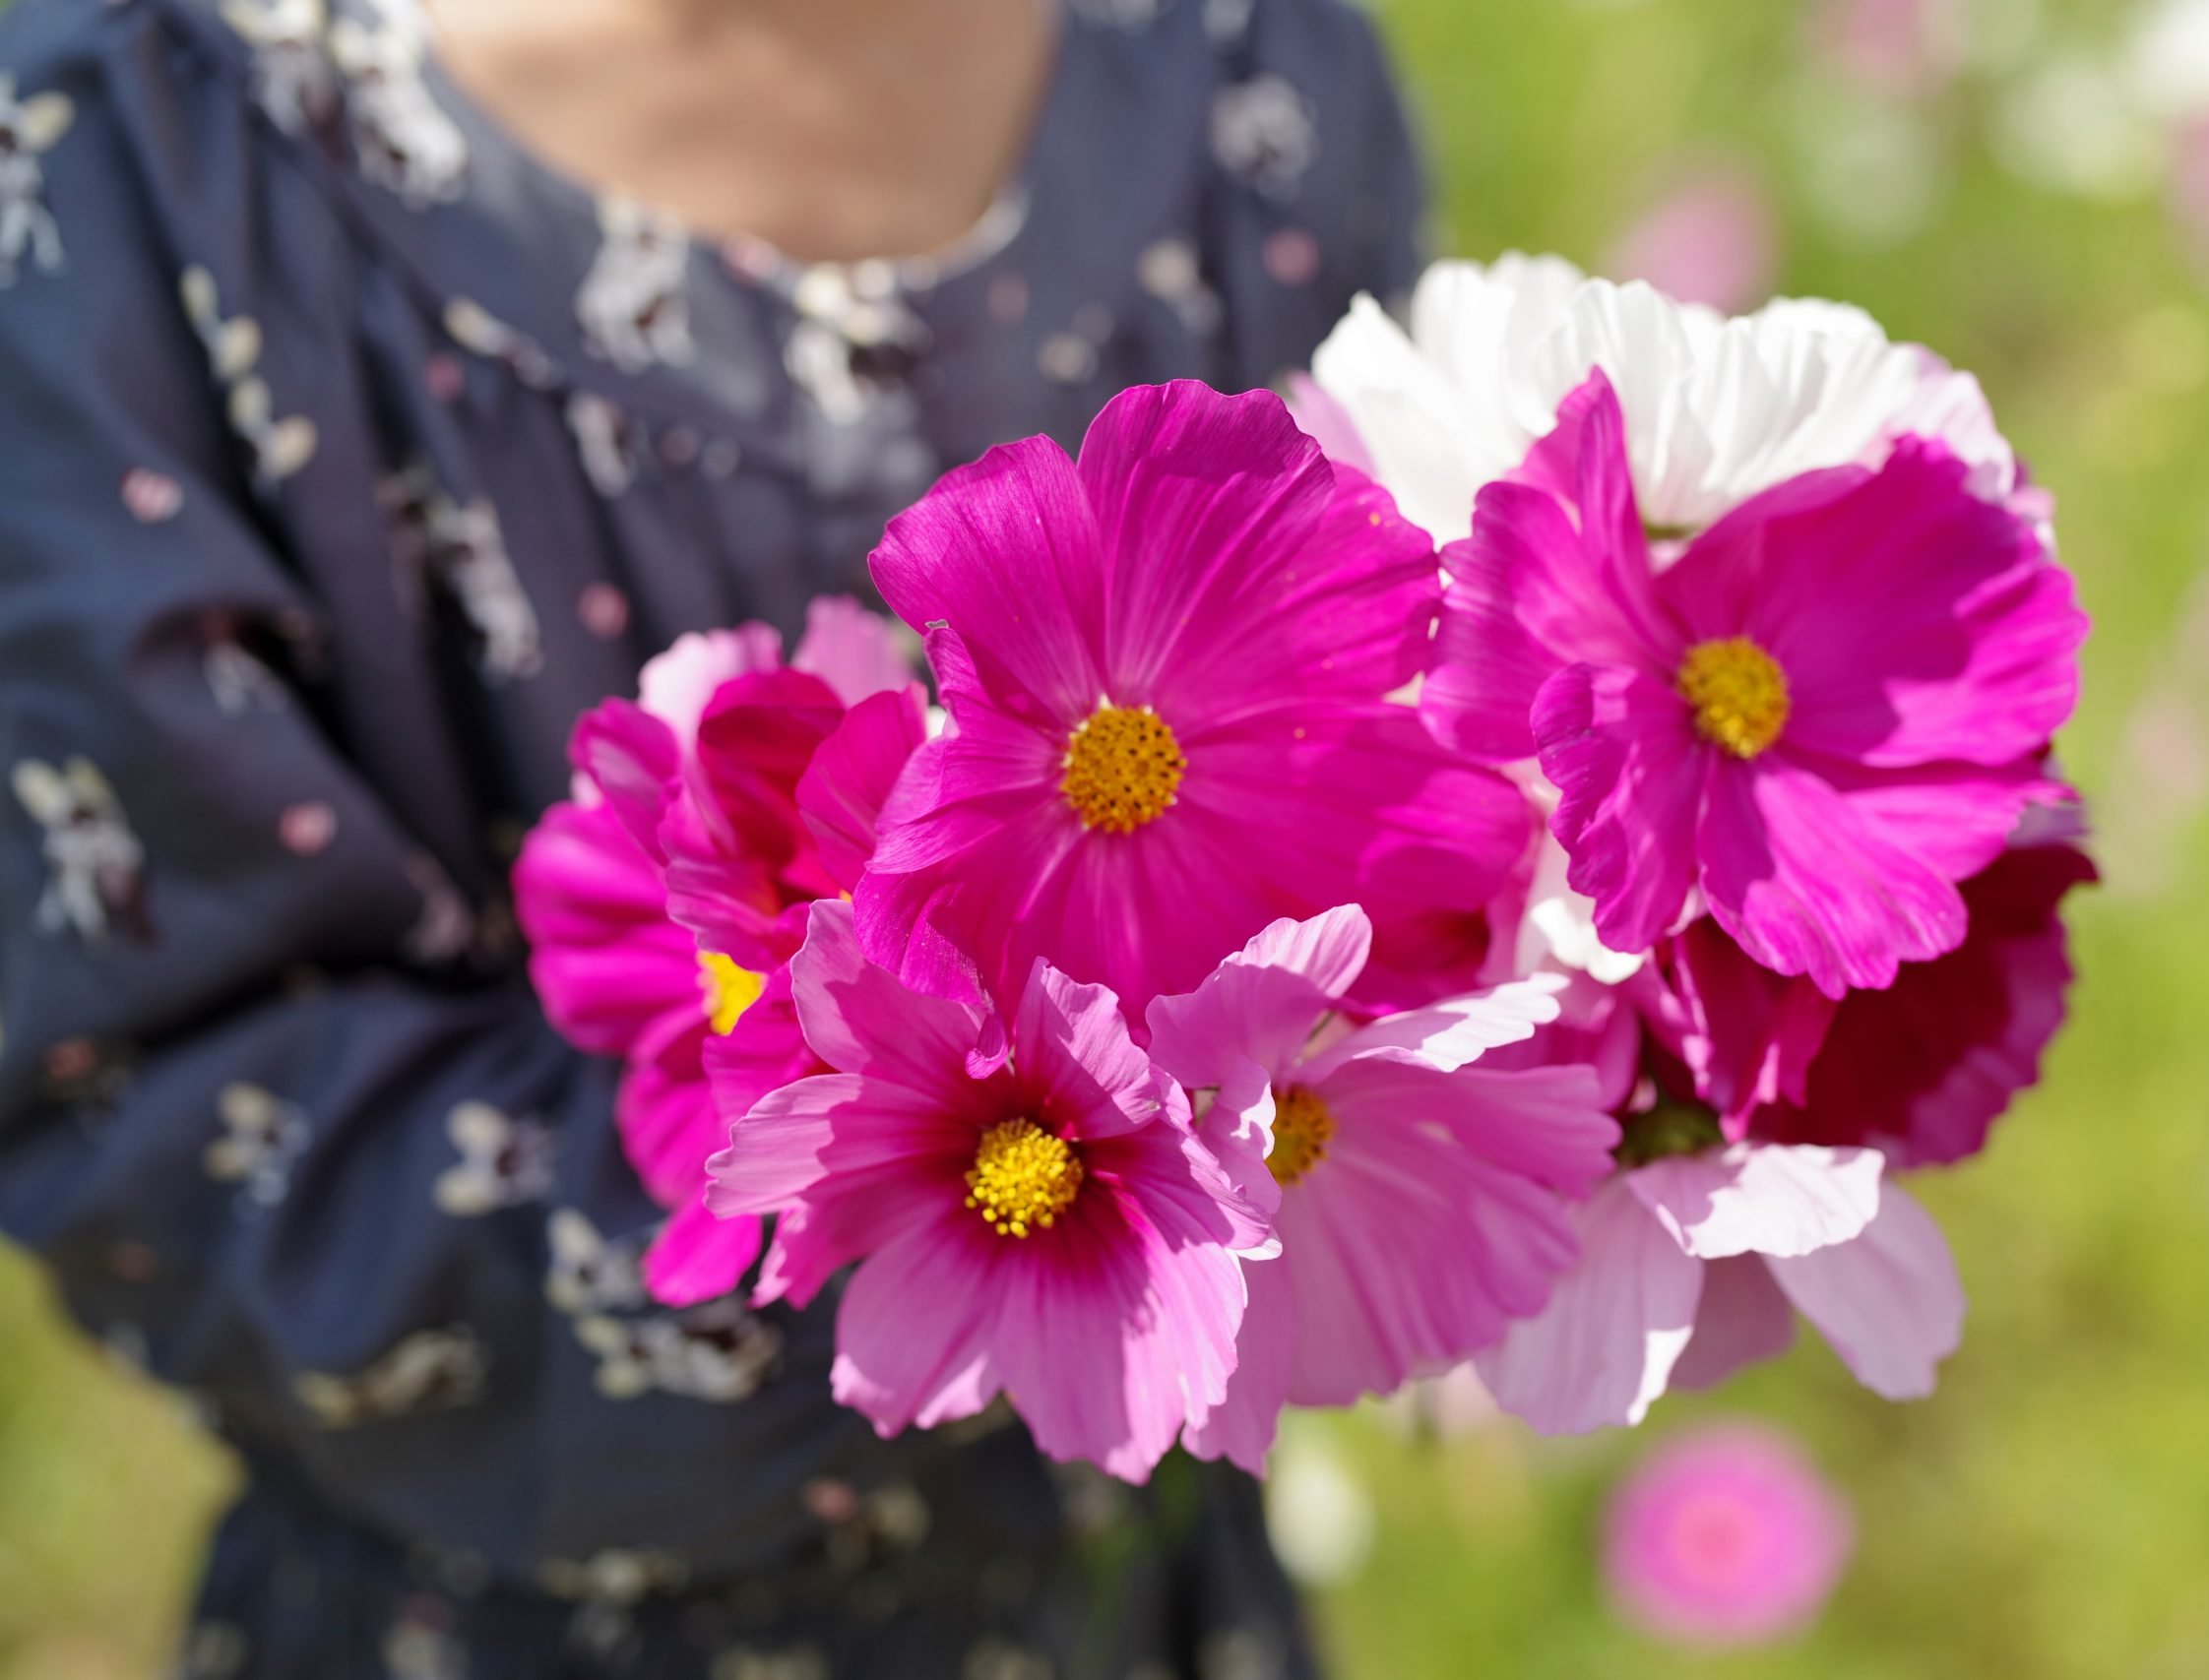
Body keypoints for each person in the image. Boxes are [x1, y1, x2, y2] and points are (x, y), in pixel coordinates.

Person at [0, 0, 1422, 1672]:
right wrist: (954, 1195)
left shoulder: (1247, 71)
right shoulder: (126, 166)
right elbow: (166, 1118)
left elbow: (1400, 738)